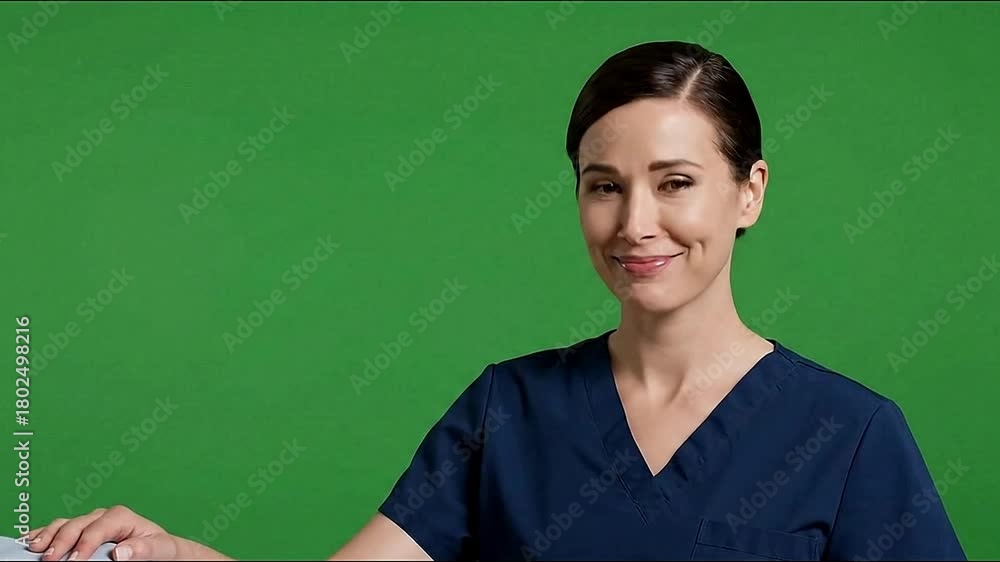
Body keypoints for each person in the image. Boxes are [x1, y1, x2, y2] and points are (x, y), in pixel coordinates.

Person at [26, 40, 965, 562]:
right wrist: (175, 555)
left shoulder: (849, 437)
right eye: (604, 186)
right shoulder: (509, 409)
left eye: (675, 182)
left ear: (748, 192)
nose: (636, 223)